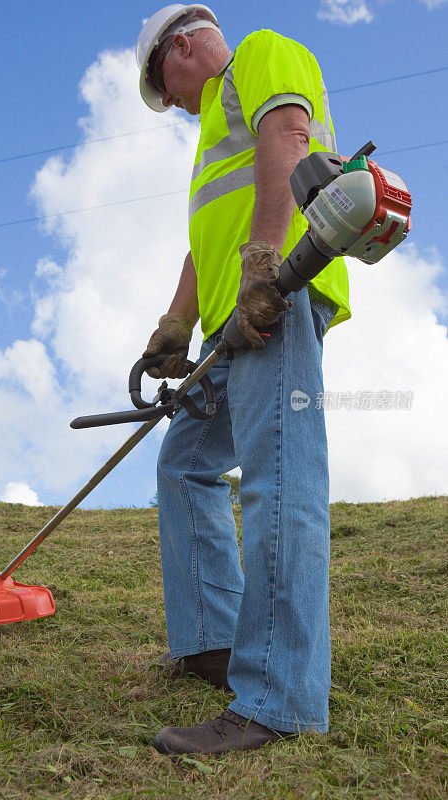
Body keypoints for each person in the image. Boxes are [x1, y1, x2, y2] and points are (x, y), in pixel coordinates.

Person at [136, 4, 351, 756]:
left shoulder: (261, 53)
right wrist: (173, 326)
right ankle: (212, 644)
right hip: (232, 322)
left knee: (278, 479)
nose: (169, 104)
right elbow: (205, 241)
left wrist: (264, 266)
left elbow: (289, 137)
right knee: (186, 462)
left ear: (182, 47)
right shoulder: (209, 138)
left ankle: (276, 700)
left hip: (278, 299)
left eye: (163, 87)